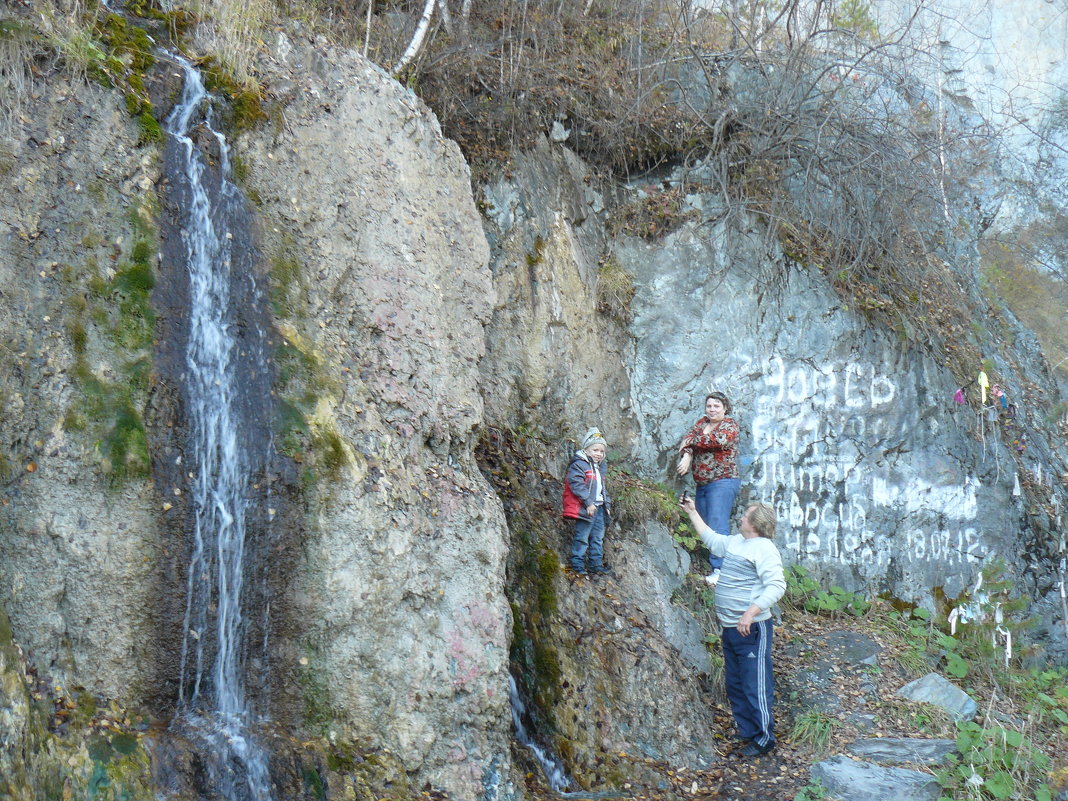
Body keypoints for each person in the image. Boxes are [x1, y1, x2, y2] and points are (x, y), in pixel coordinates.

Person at [680, 496, 785, 757]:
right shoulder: (739, 542)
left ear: (755, 524)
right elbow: (714, 542)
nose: (740, 518)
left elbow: (777, 586)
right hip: (730, 627)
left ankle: (764, 739)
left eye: (745, 516)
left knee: (755, 684)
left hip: (752, 629)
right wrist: (692, 512)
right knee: (736, 684)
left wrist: (750, 613)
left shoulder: (765, 549)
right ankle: (747, 731)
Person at [676, 392, 741, 582]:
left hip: (723, 481)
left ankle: (721, 571)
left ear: (725, 408)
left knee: (718, 524)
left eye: (716, 406)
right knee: (703, 523)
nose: (712, 409)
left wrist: (690, 442)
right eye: (709, 406)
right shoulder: (701, 423)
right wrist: (687, 455)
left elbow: (717, 441)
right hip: (703, 483)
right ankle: (713, 567)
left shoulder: (730, 425)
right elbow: (688, 439)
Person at [562, 428, 612, 576]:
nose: (598, 454)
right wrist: (588, 503)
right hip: (587, 508)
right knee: (582, 536)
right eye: (595, 450)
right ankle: (577, 563)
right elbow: (576, 485)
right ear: (586, 449)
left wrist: (606, 505)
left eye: (601, 451)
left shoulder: (599, 468)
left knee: (598, 537)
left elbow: (603, 488)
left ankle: (595, 564)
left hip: (600, 507)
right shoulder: (579, 464)